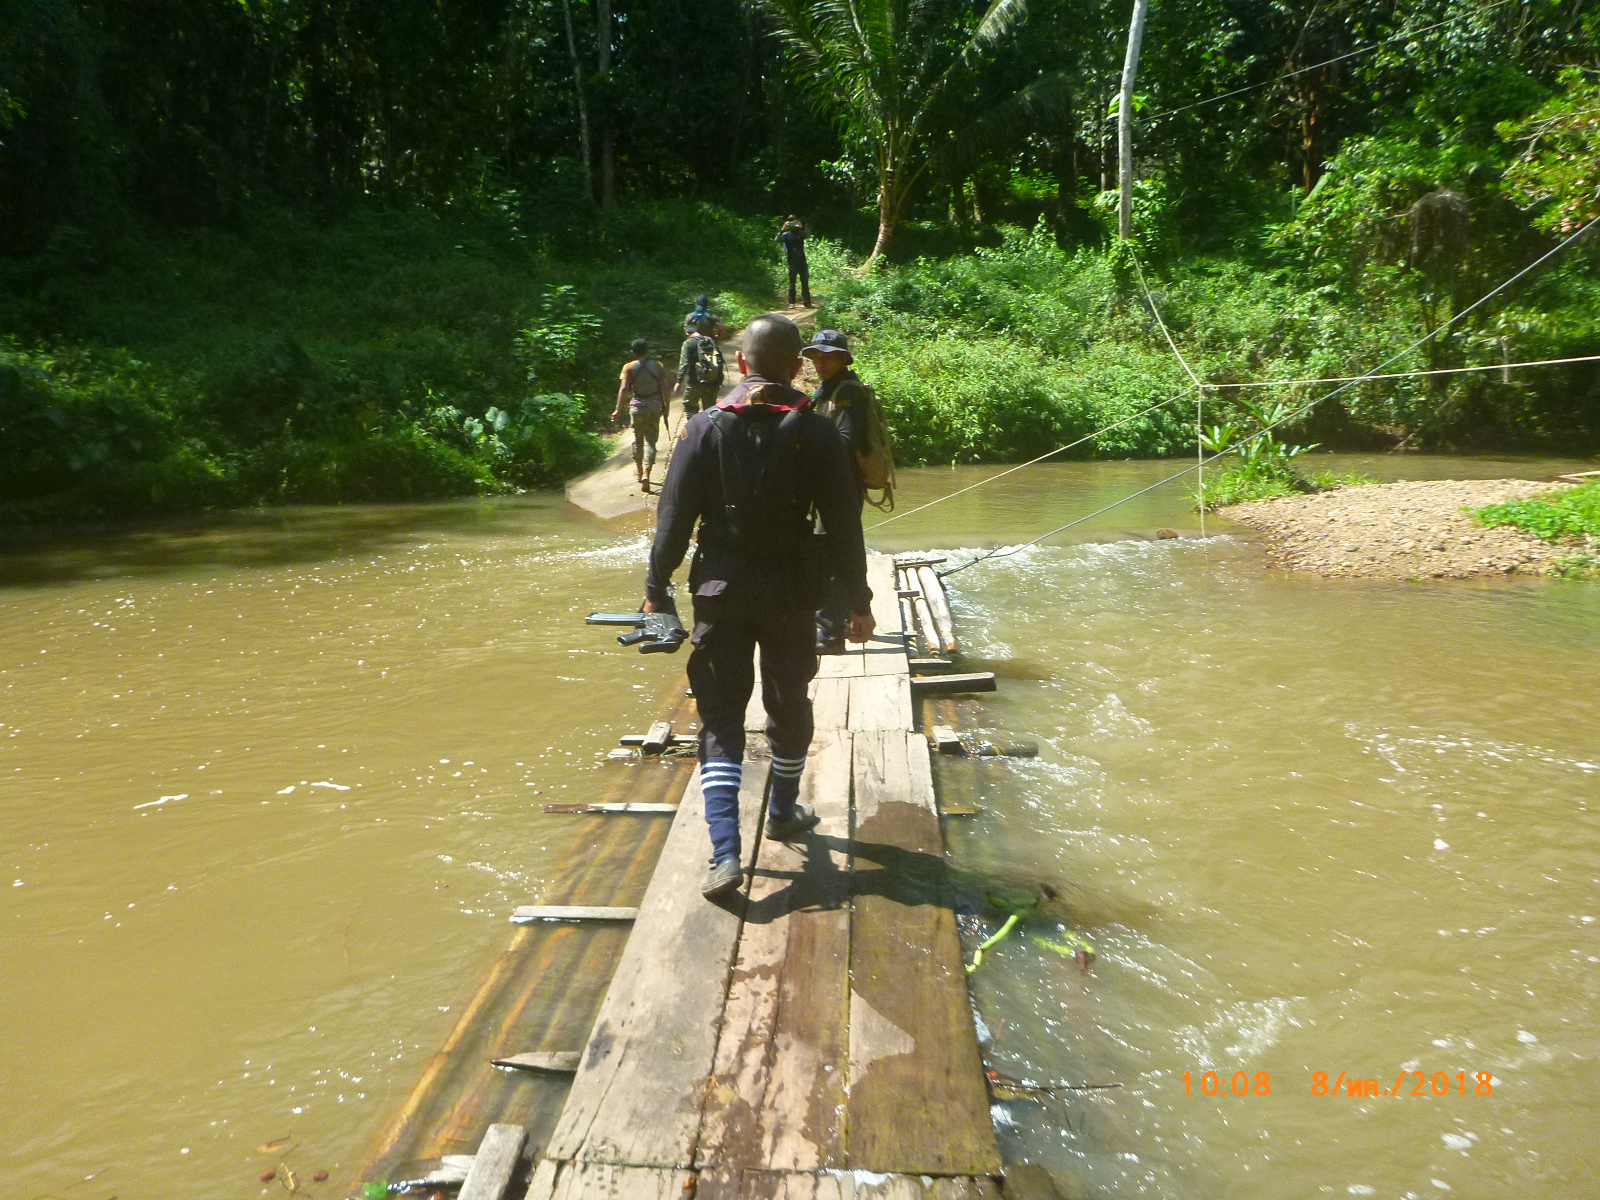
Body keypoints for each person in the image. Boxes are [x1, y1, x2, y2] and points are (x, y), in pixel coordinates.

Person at [642, 313, 875, 899]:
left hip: (720, 592)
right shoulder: (817, 432)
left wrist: (656, 589)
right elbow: (844, 527)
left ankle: (724, 853)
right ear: (797, 366)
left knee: (721, 715)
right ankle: (783, 810)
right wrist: (859, 599)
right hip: (792, 593)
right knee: (788, 700)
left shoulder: (702, 429)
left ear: (740, 362)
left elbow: (673, 522)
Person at [802, 329, 871, 653]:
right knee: (832, 552)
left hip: (842, 486)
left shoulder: (847, 393)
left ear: (843, 359)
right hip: (831, 485)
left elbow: (845, 442)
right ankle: (838, 621)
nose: (820, 363)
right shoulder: (828, 389)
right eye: (816, 357)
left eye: (827, 357)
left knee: (833, 555)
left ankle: (830, 632)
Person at [612, 338, 668, 489]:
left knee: (638, 439)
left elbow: (624, 389)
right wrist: (666, 407)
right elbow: (666, 388)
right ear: (647, 351)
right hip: (654, 406)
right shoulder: (658, 366)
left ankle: (639, 470)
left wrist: (618, 409)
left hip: (637, 407)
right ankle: (647, 474)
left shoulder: (628, 367)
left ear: (633, 352)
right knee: (651, 440)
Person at [676, 326, 724, 417]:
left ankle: (693, 425)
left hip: (694, 382)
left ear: (687, 334)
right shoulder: (709, 340)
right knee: (710, 410)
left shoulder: (688, 343)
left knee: (689, 408)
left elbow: (684, 364)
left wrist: (679, 381)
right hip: (712, 381)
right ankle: (709, 425)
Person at [777, 217, 811, 308]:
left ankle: (807, 301)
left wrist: (801, 227)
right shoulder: (786, 235)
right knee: (792, 283)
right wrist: (782, 229)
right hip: (792, 261)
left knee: (805, 282)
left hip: (802, 260)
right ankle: (791, 302)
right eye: (791, 223)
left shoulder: (800, 233)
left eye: (794, 223)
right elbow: (777, 240)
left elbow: (807, 235)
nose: (793, 225)